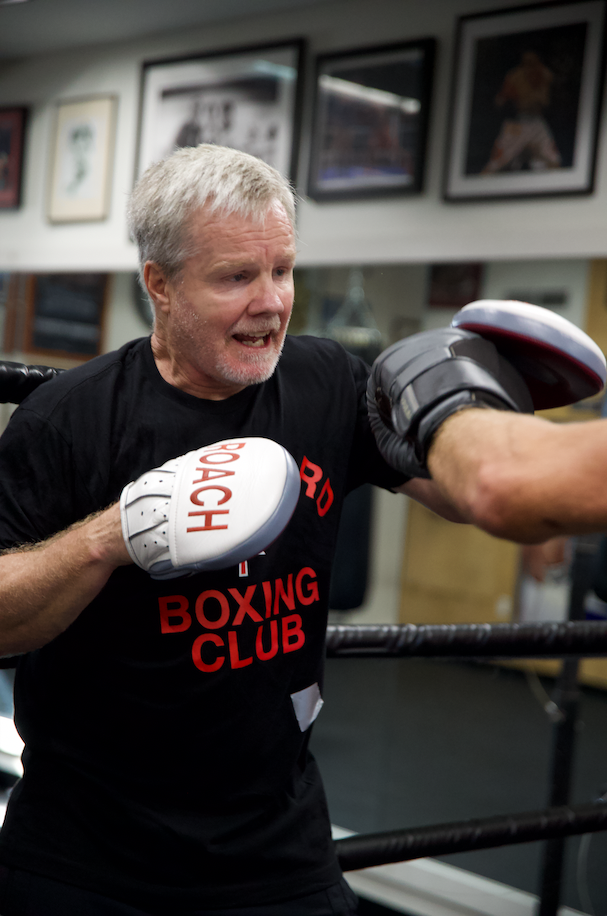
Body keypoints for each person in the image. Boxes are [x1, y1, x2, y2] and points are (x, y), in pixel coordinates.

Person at [0, 144, 454, 916]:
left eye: (281, 270)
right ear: (159, 285)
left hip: (276, 848)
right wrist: (109, 537)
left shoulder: (324, 384)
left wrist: (481, 420)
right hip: (86, 852)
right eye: (236, 277)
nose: (272, 302)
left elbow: (462, 488)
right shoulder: (70, 419)